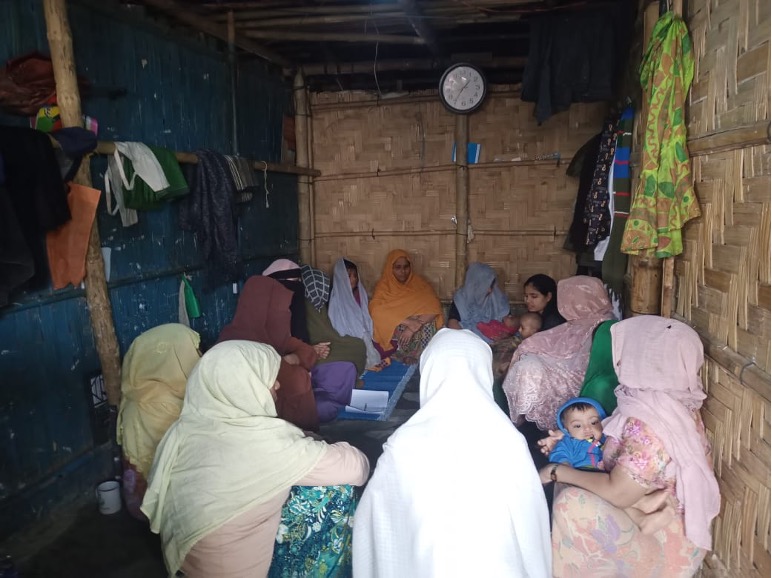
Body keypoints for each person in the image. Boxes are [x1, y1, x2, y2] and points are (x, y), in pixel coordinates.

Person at [141, 340, 370, 578]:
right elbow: (358, 467)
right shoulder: (264, 442)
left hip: (187, 566)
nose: (278, 384)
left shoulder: (183, 431)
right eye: (267, 377)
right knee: (334, 491)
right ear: (246, 384)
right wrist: (315, 443)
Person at [353, 329, 551, 578]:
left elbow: (377, 526)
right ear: (483, 372)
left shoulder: (405, 443)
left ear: (431, 371)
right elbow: (531, 524)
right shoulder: (508, 440)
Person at [537, 316, 720, 577]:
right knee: (574, 477)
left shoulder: (651, 421)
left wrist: (554, 471)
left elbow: (620, 493)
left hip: (664, 546)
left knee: (571, 502)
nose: (619, 359)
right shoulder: (669, 404)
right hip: (657, 518)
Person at [546, 396, 677, 536]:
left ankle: (643, 518)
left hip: (606, 476)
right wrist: (567, 469)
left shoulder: (606, 438)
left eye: (594, 422)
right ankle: (640, 505)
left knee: (616, 492)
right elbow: (559, 456)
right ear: (566, 429)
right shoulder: (568, 442)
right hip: (583, 475)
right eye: (577, 426)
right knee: (607, 494)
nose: (587, 428)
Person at [502, 275, 613, 430]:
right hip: (568, 367)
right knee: (528, 364)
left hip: (576, 373)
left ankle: (526, 424)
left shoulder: (599, 324)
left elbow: (576, 358)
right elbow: (557, 343)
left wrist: (531, 348)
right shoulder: (582, 321)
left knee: (529, 367)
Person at [117, 323, 201, 521]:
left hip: (139, 501)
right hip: (168, 511)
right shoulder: (172, 403)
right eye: (194, 349)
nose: (199, 354)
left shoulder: (135, 391)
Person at [217, 275, 321, 430]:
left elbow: (309, 353)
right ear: (263, 310)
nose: (286, 315)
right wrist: (288, 364)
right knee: (299, 378)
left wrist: (292, 358)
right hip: (253, 432)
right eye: (280, 310)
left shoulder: (274, 337)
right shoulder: (233, 345)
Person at [368, 249, 444, 365]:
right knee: (395, 323)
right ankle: (405, 354)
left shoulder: (419, 283)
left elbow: (434, 307)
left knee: (429, 324)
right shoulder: (384, 286)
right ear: (390, 268)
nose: (403, 271)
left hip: (418, 325)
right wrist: (408, 323)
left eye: (406, 267)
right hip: (401, 327)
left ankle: (423, 356)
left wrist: (413, 327)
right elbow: (376, 310)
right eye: (398, 267)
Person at [327, 257, 381, 369]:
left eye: (355, 276)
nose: (353, 279)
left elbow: (367, 319)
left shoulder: (361, 295)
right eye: (348, 276)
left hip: (366, 335)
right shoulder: (336, 300)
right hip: (347, 339)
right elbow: (338, 327)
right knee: (356, 349)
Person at [446, 262, 510, 342]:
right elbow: (453, 324)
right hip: (466, 340)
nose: (490, 290)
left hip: (492, 342)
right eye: (486, 285)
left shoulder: (497, 298)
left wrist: (503, 335)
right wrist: (471, 341)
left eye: (491, 285)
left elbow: (508, 323)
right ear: (476, 283)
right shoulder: (461, 299)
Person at [489, 311, 542, 378]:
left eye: (522, 328)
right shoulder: (520, 338)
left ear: (533, 331)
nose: (519, 330)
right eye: (520, 326)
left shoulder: (534, 345)